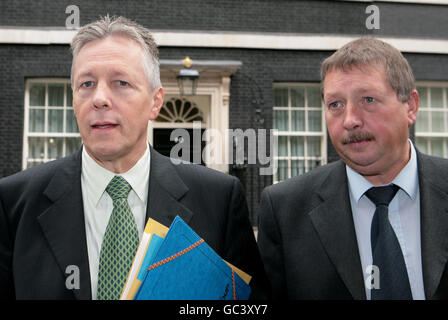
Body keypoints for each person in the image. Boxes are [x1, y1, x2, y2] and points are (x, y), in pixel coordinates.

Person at [0, 15, 268, 300]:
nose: (99, 98)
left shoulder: (219, 200)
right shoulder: (14, 203)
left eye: (121, 83)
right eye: (87, 84)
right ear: (74, 102)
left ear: (156, 102)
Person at [257, 37, 448, 300]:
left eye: (368, 99)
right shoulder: (284, 210)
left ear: (411, 107)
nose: (350, 121)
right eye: (335, 104)